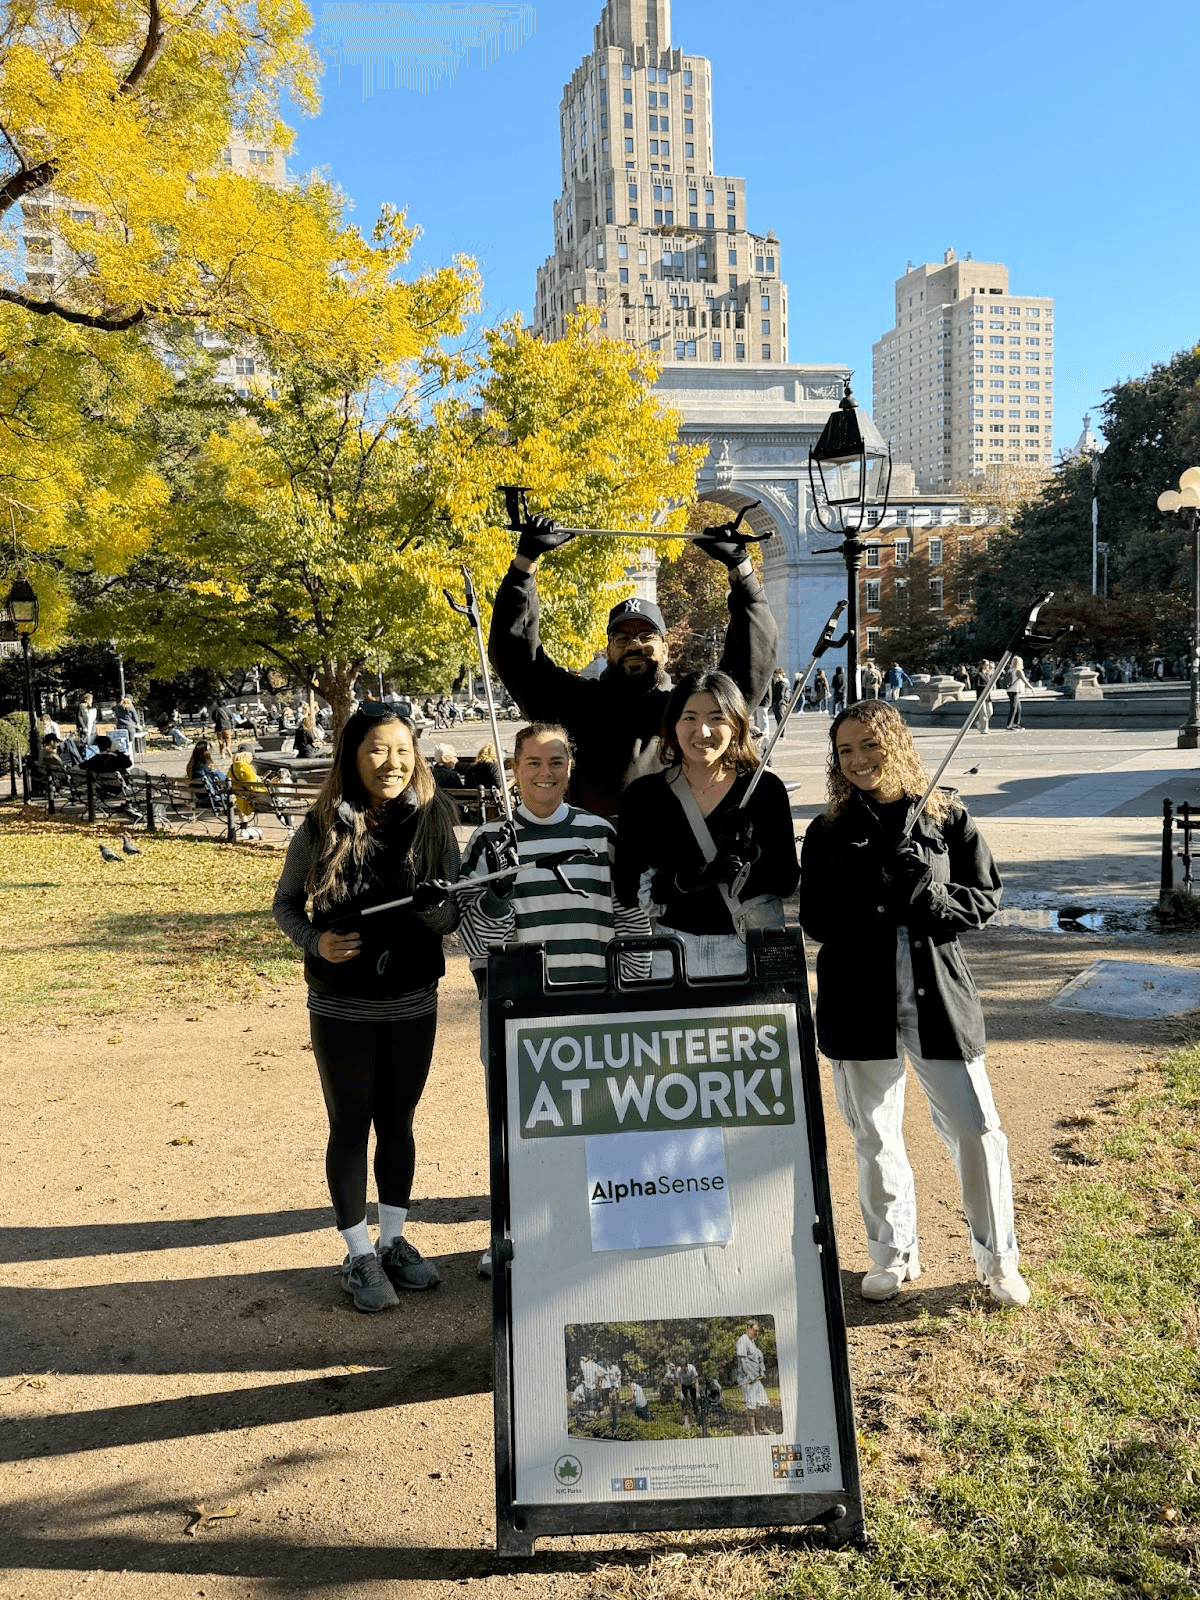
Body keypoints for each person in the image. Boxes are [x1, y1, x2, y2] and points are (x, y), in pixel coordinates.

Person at [799, 700, 1029, 1308]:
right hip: (857, 1000)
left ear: (894, 743)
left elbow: (983, 902)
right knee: (874, 1134)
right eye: (845, 751)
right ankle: (892, 1254)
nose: (857, 761)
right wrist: (875, 893)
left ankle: (998, 1258)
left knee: (976, 1130)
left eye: (869, 745)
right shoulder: (827, 830)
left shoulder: (945, 813)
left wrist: (926, 890)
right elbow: (817, 919)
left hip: (937, 995)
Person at [272, 705, 459, 1313]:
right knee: (351, 1125)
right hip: (342, 1006)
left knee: (399, 1121)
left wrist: (433, 908)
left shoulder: (435, 819)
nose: (392, 763)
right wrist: (315, 942)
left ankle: (394, 1239)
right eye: (378, 750)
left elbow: (448, 915)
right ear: (353, 756)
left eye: (403, 750)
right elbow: (286, 905)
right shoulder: (322, 823)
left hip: (412, 1001)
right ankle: (357, 1251)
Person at [458, 721, 652, 1274]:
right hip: (518, 1009)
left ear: (572, 767)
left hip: (589, 1003)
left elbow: (629, 920)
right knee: (517, 1128)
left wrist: (629, 988)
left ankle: (591, 1231)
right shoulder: (490, 841)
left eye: (557, 762)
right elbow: (475, 940)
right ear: (514, 770)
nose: (545, 773)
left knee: (595, 1124)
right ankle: (512, 1233)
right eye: (533, 763)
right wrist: (495, 899)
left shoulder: (599, 835)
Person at [488, 515, 777, 820]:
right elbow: (516, 657)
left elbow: (750, 663)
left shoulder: (687, 707)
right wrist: (524, 567)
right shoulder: (577, 703)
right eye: (621, 637)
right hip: (593, 855)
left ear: (666, 648)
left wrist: (742, 572)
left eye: (646, 635)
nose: (634, 645)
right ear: (608, 648)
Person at [615, 671, 799, 979]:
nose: (702, 731)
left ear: (737, 723)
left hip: (752, 948)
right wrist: (691, 880)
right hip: (673, 953)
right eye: (689, 718)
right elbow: (627, 889)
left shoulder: (764, 790)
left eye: (717, 717)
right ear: (673, 724)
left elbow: (787, 881)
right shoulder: (643, 796)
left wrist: (750, 857)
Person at [736, 1320, 770, 1436]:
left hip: (755, 1379)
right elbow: (742, 1361)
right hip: (747, 1380)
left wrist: (762, 1372)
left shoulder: (753, 1342)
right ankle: (753, 1431)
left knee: (764, 1403)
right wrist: (749, 1376)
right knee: (751, 1406)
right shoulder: (743, 1341)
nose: (757, 1333)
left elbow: (758, 1359)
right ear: (748, 1329)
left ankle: (762, 1428)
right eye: (755, 1331)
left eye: (758, 1331)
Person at [229, 743, 264, 836]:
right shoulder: (245, 767)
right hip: (251, 798)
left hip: (239, 797)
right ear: (248, 756)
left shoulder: (232, 767)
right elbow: (254, 785)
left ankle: (245, 827)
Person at [186, 740, 226, 810]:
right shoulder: (209, 767)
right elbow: (223, 779)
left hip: (200, 797)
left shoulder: (191, 766)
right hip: (214, 799)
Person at [1003, 655, 1034, 730]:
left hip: (1009, 690)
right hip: (1014, 690)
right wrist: (1032, 688)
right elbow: (1024, 680)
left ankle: (1015, 723)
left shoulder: (1010, 670)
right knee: (1014, 708)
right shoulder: (1018, 671)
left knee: (1018, 707)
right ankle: (1010, 724)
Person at [974, 659, 995, 735]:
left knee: (990, 712)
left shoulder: (987, 674)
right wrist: (987, 687)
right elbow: (977, 685)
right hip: (981, 696)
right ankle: (984, 728)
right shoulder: (979, 675)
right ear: (982, 665)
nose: (987, 666)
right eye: (986, 664)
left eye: (988, 664)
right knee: (984, 713)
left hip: (988, 696)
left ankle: (981, 724)